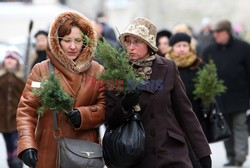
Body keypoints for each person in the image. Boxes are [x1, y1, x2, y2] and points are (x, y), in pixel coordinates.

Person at [105, 17, 212, 168]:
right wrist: (124, 105)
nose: (131, 47)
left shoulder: (168, 67)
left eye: (137, 42)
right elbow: (110, 120)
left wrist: (203, 153)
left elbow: (185, 113)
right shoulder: (117, 73)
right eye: (128, 42)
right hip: (135, 155)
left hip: (170, 152)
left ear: (148, 44)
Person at [16, 11, 106, 168]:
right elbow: (26, 110)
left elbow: (105, 106)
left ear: (86, 42)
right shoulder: (41, 70)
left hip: (85, 154)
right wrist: (27, 144)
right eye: (67, 40)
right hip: (49, 150)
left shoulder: (97, 71)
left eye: (78, 41)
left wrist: (85, 115)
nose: (72, 46)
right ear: (57, 41)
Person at [203, 19, 250, 167]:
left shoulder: (244, 48)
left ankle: (240, 155)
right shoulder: (209, 51)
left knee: (240, 125)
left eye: (218, 32)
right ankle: (231, 156)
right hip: (220, 99)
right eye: (214, 32)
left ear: (227, 32)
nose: (215, 35)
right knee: (226, 128)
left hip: (240, 96)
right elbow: (205, 74)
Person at [166, 32, 208, 168]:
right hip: (174, 117)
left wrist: (207, 104)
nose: (182, 49)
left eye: (185, 45)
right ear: (172, 48)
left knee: (196, 148)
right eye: (179, 46)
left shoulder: (197, 65)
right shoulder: (166, 67)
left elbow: (207, 88)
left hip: (195, 114)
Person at [0, 47, 24, 168]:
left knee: (16, 147)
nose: (9, 60)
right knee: (9, 146)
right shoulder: (1, 77)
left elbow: (32, 88)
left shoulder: (22, 77)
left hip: (17, 119)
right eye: (7, 58)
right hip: (3, 120)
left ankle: (17, 163)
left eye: (12, 58)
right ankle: (11, 163)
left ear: (17, 62)